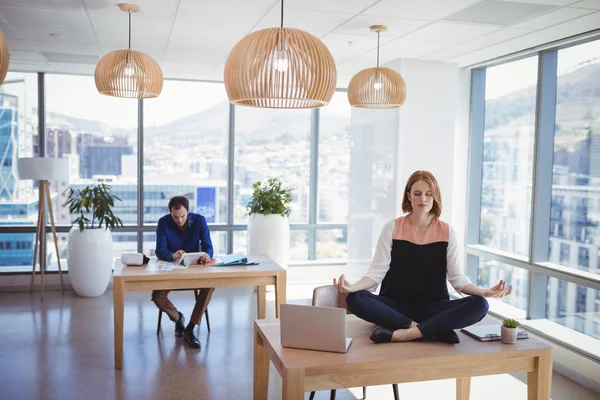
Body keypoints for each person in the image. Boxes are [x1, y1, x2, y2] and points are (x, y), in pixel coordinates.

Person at [334, 170, 512, 344]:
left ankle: (404, 334)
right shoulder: (392, 228)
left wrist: (485, 292)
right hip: (395, 307)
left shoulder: (446, 231)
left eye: (428, 194)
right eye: (417, 193)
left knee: (480, 305)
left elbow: (457, 279)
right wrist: (353, 286)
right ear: (409, 196)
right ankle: (425, 330)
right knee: (355, 298)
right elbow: (376, 273)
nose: (423, 199)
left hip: (433, 308)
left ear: (435, 197)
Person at [152, 196, 214, 349]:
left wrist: (207, 255)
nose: (179, 220)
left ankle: (190, 328)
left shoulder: (199, 220)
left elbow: (209, 247)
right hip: (171, 269)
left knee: (210, 285)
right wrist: (171, 255)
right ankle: (178, 318)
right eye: (175, 216)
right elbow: (160, 250)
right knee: (157, 297)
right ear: (170, 213)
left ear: (188, 211)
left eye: (182, 216)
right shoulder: (163, 222)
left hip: (194, 268)